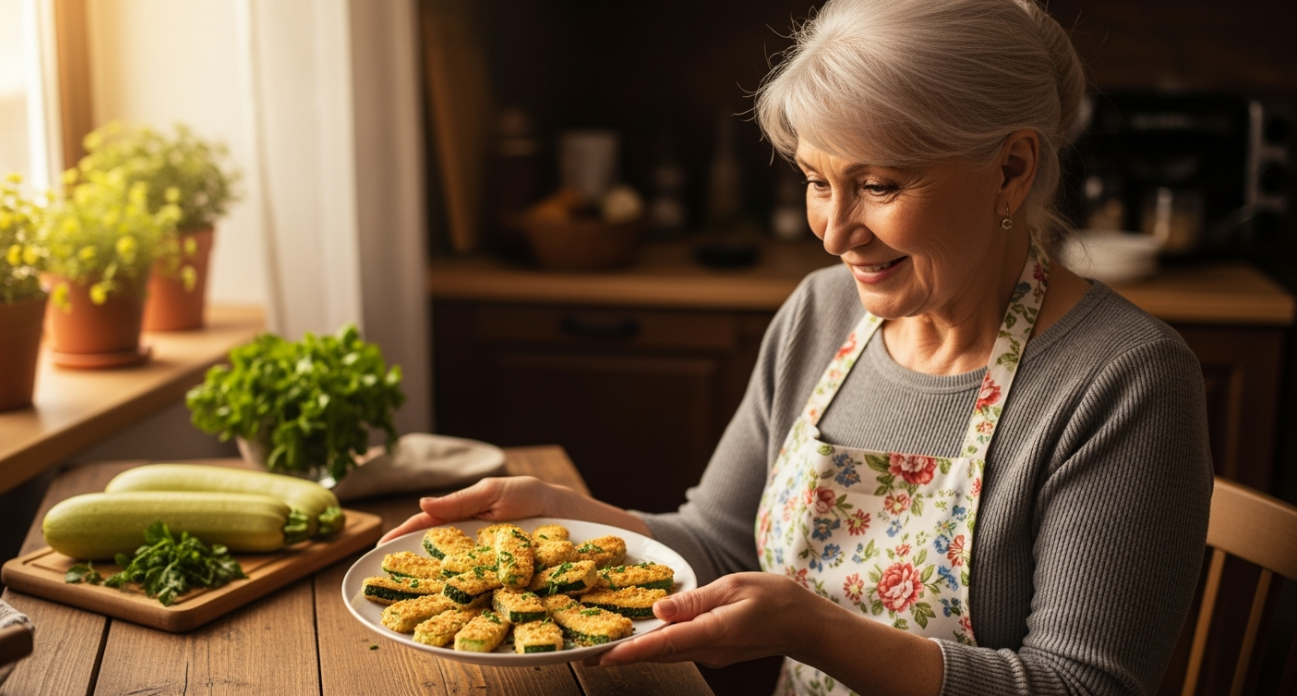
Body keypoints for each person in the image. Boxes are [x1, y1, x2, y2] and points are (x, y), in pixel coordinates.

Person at [386, 0, 1213, 693]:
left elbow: (1082, 687)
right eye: (819, 181)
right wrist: (574, 518)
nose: (835, 233)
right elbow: (716, 545)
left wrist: (818, 631)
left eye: (879, 184)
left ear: (1011, 170)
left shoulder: (1124, 381)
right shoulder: (821, 316)